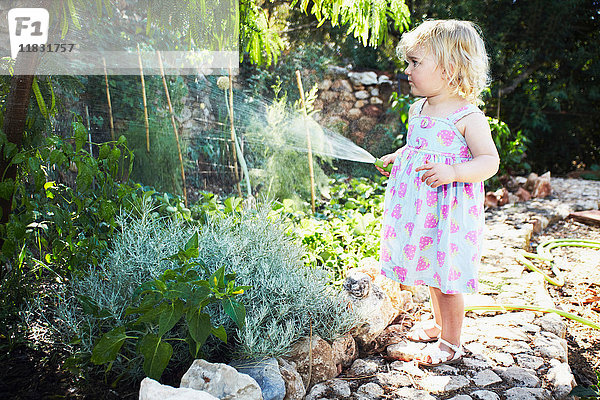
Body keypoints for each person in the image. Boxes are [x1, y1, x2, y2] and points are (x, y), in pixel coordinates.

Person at [375, 19, 500, 367]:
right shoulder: (419, 109)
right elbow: (418, 148)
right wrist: (398, 157)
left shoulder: (467, 116)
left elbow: (489, 161)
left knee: (448, 277)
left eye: (416, 63)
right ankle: (438, 323)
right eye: (408, 62)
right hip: (421, 208)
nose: (407, 70)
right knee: (432, 269)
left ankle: (451, 341)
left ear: (448, 68)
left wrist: (455, 172)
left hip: (449, 212)